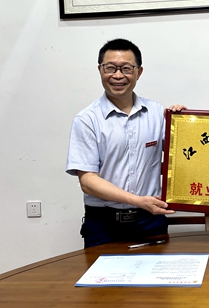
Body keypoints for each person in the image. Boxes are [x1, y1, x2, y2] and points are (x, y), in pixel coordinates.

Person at [66, 38, 179, 248]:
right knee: (100, 271)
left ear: (139, 72)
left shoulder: (156, 113)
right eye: (110, 68)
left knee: (155, 270)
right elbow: (88, 181)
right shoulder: (87, 119)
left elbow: (183, 157)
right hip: (103, 224)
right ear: (100, 70)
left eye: (126, 68)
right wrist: (138, 201)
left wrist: (185, 123)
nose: (118, 75)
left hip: (149, 222)